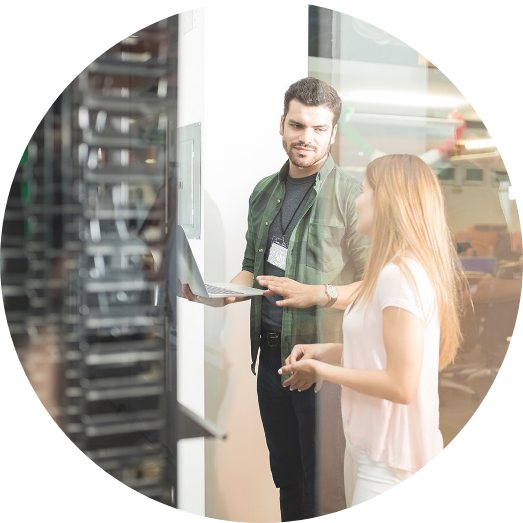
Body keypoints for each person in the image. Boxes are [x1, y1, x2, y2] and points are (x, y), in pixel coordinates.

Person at [180, 77, 369, 520]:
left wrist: (319, 294)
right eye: (298, 125)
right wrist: (219, 295)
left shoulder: (351, 196)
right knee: (287, 477)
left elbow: (373, 283)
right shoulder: (264, 191)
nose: (306, 137)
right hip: (271, 360)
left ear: (333, 134)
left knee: (325, 486)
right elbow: (253, 268)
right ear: (281, 124)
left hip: (322, 365)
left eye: (319, 129)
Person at [258, 154, 467, 507]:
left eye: (365, 191)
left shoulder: (400, 276)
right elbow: (381, 348)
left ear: (388, 201)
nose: (356, 200)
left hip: (390, 460)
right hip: (366, 446)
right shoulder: (389, 271)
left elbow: (401, 385)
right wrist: (327, 350)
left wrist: (321, 370)